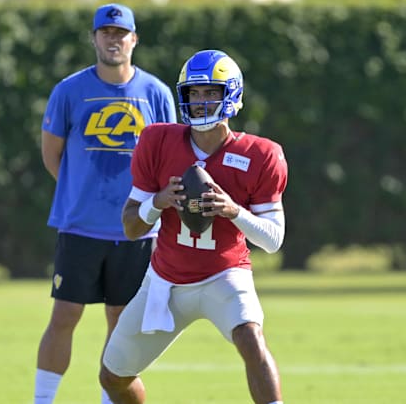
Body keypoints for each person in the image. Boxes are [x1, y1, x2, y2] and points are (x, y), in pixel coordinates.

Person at [99, 49, 287, 404]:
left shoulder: (260, 154)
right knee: (112, 377)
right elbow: (131, 227)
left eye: (211, 93)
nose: (201, 102)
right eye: (194, 93)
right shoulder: (158, 141)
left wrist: (234, 211)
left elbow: (274, 239)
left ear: (231, 95)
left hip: (224, 275)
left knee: (250, 336)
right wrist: (158, 201)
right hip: (166, 281)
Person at [34, 3, 177, 404]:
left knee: (122, 323)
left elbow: (169, 160)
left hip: (136, 230)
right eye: (106, 33)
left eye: (121, 33)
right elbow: (52, 156)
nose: (113, 40)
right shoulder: (69, 91)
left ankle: (108, 400)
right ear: (94, 38)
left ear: (134, 39)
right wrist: (81, 191)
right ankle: (42, 400)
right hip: (80, 226)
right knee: (64, 317)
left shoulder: (156, 94)